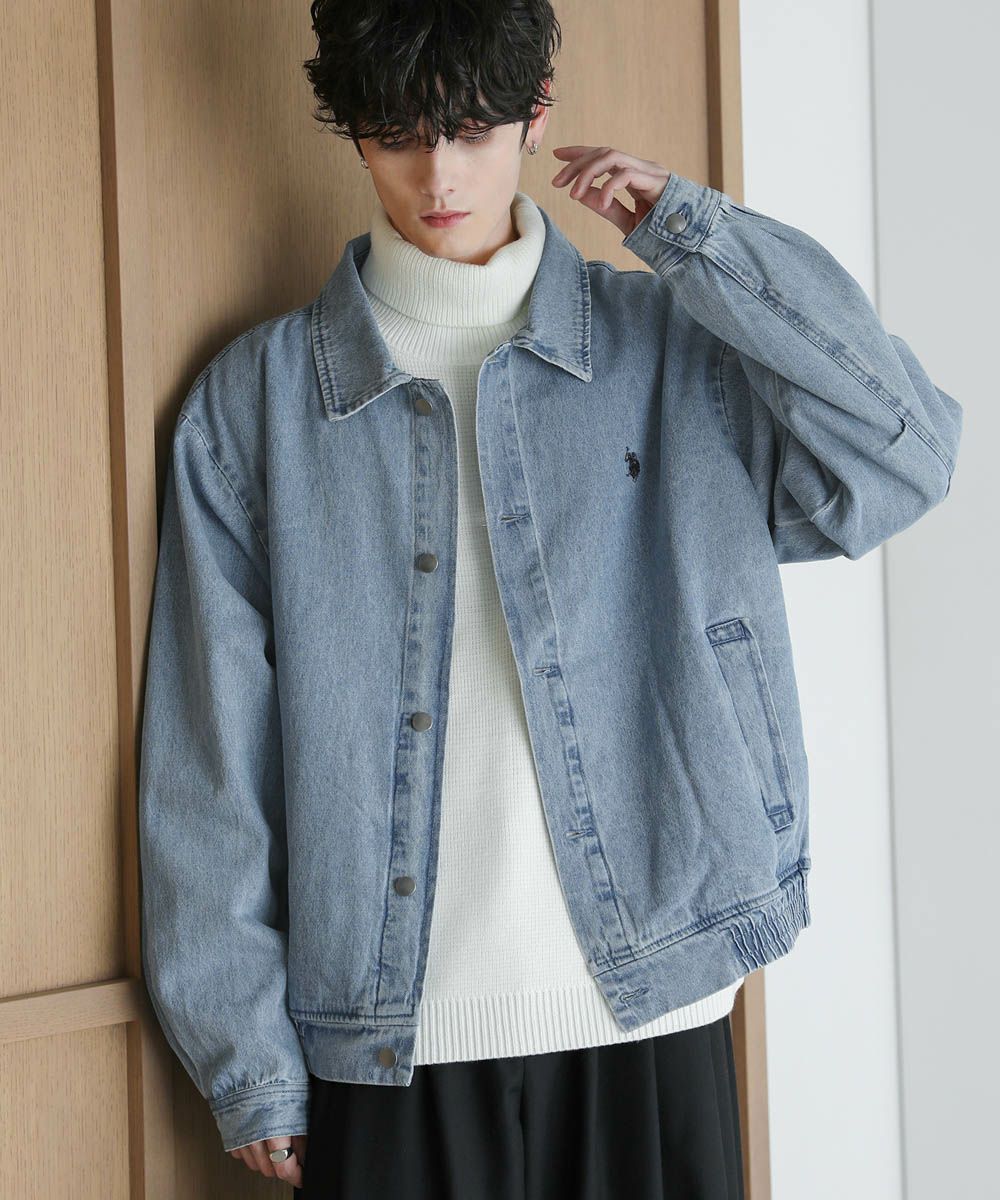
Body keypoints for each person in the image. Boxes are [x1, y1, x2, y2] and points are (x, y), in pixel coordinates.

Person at [136, 1, 962, 1196]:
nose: (437, 176)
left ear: (534, 119)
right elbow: (208, 760)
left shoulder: (669, 348)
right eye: (397, 134)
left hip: (655, 1002)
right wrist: (245, 1056)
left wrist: (695, 236)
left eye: (470, 131)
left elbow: (903, 456)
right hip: (389, 1037)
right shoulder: (257, 405)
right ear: (353, 133)